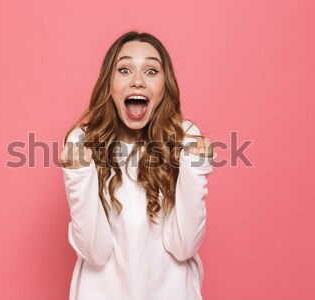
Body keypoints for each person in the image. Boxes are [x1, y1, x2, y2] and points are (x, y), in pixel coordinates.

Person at [59, 31, 217, 300]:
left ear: (165, 86)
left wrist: (195, 168)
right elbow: (94, 252)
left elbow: (184, 247)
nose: (137, 81)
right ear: (109, 83)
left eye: (151, 71)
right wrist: (79, 174)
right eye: (124, 69)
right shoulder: (83, 142)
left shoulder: (185, 137)